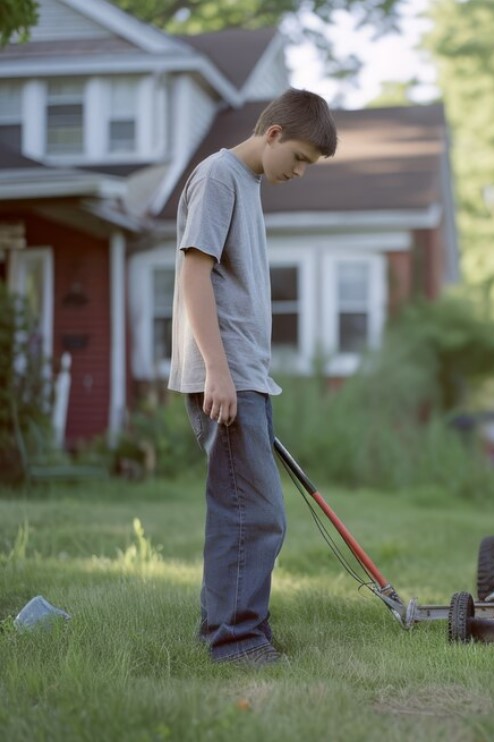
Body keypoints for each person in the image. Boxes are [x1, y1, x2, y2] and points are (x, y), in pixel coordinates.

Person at [168, 88, 338, 666]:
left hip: (243, 372)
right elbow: (196, 276)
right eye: (300, 158)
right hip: (226, 372)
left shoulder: (247, 182)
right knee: (256, 511)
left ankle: (224, 630)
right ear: (272, 134)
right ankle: (238, 642)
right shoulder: (218, 176)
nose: (300, 172)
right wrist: (218, 370)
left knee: (237, 506)